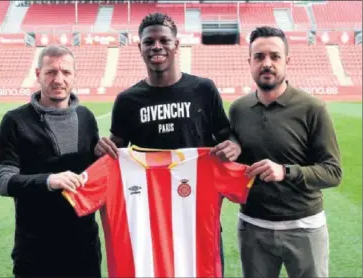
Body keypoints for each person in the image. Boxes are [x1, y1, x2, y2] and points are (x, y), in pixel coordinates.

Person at [94, 12, 241, 275]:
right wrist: (101, 150)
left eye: (164, 40)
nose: (157, 46)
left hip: (197, 217)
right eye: (149, 42)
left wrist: (234, 146)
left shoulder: (203, 90)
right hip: (149, 224)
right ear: (140, 47)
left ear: (176, 44)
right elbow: (116, 149)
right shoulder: (127, 101)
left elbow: (226, 134)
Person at [229, 26, 342, 278]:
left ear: (287, 61)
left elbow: (333, 172)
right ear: (249, 62)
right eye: (259, 57)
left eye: (275, 56)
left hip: (304, 228)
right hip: (252, 228)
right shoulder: (238, 109)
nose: (266, 63)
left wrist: (285, 171)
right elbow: (233, 161)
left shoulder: (313, 108)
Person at [0, 44, 102, 277]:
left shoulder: (87, 118)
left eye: (66, 72)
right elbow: (4, 181)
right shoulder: (15, 121)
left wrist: (103, 155)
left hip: (84, 249)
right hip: (35, 251)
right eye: (51, 72)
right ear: (38, 75)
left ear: (74, 76)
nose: (58, 79)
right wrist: (49, 180)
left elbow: (94, 176)